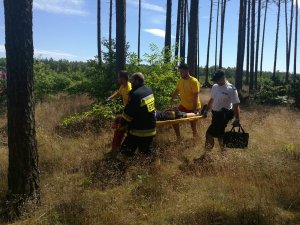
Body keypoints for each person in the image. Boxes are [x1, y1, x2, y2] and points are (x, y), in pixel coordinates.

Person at [202, 70, 241, 153]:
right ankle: (224, 153)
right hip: (215, 115)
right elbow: (212, 99)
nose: (216, 81)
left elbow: (236, 105)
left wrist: (237, 119)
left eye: (217, 79)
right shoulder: (215, 86)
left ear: (223, 78)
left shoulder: (231, 89)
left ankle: (206, 155)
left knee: (209, 133)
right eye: (215, 80)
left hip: (224, 115)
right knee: (220, 136)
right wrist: (206, 111)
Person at [119, 72, 156, 157]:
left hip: (139, 131)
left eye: (132, 80)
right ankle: (153, 168)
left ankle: (121, 167)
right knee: (146, 155)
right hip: (151, 129)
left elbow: (127, 115)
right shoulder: (149, 90)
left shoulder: (136, 94)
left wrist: (121, 124)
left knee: (124, 153)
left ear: (136, 81)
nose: (130, 82)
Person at [170, 64, 201, 141]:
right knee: (174, 120)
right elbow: (177, 90)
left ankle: (195, 142)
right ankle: (179, 138)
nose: (180, 74)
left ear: (187, 71)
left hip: (194, 107)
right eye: (180, 72)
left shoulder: (194, 81)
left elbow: (195, 97)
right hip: (183, 106)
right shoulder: (180, 80)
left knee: (193, 125)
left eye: (182, 72)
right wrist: (171, 99)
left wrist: (194, 110)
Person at [106, 71, 132, 156]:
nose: (118, 79)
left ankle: (115, 149)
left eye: (119, 78)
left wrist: (125, 117)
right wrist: (110, 98)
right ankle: (115, 147)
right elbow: (118, 93)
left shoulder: (129, 89)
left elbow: (131, 105)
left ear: (123, 78)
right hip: (127, 112)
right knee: (117, 123)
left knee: (119, 127)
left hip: (130, 113)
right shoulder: (123, 86)